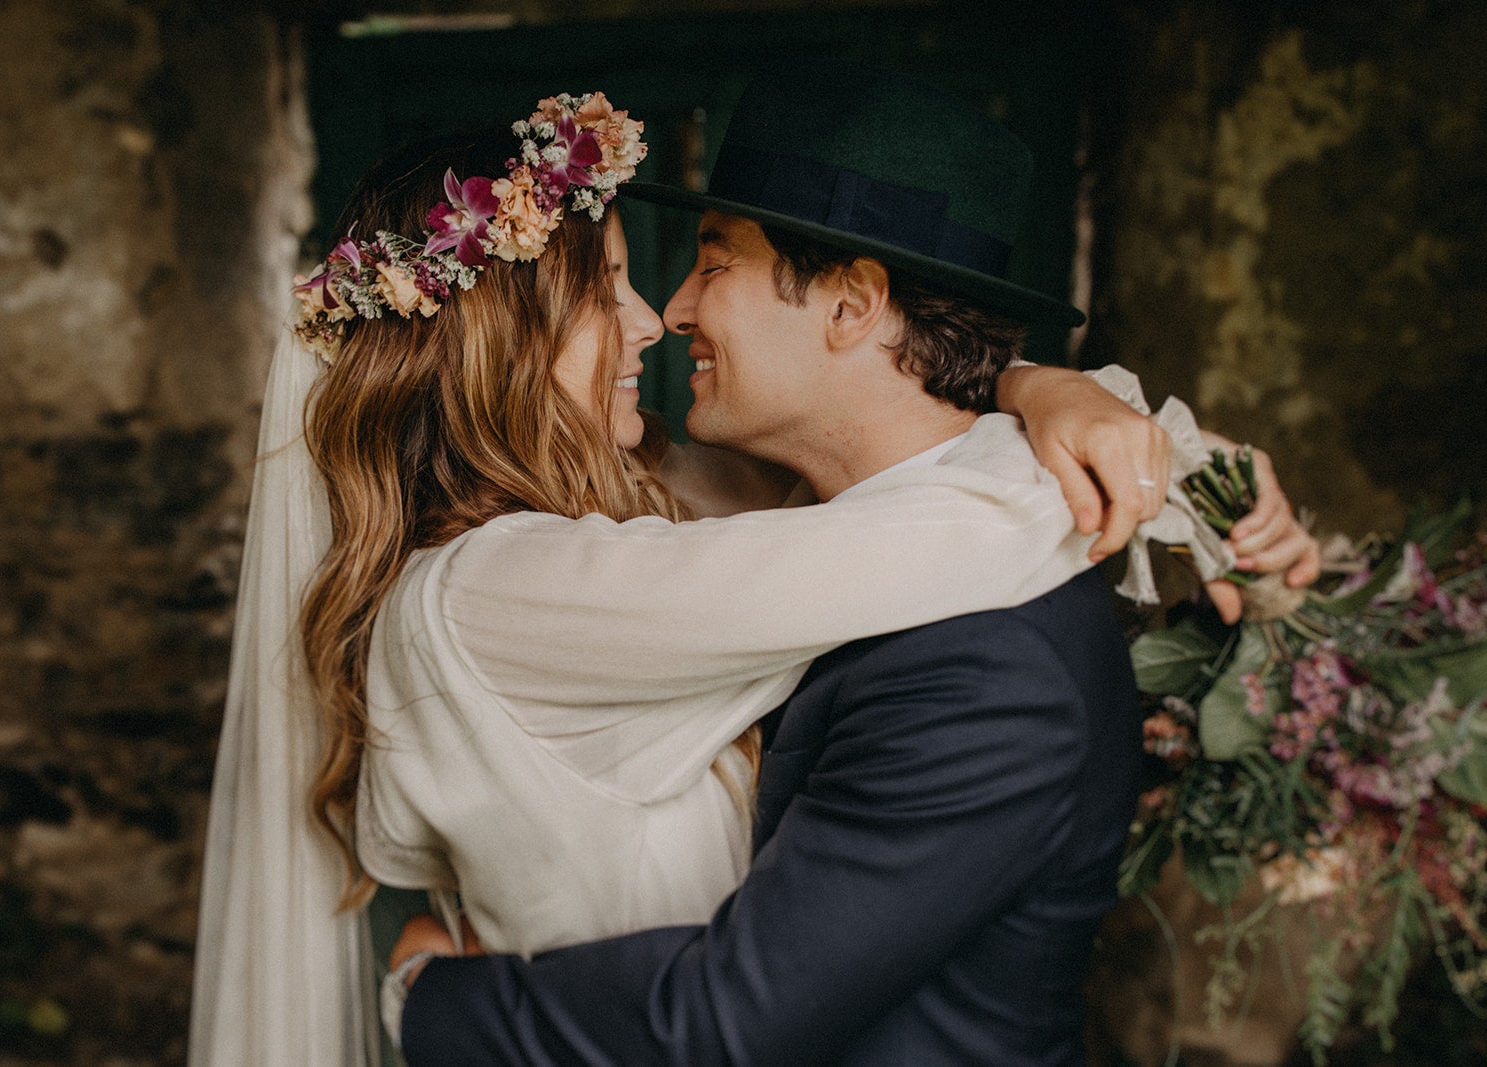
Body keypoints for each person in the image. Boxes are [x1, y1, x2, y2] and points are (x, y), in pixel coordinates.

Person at [188, 85, 1311, 1065]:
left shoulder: (964, 642)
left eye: (708, 266)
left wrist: (1041, 397)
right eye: (611, 287)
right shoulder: (510, 583)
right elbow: (951, 517)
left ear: (853, 304)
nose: (662, 315)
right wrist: (1136, 452)